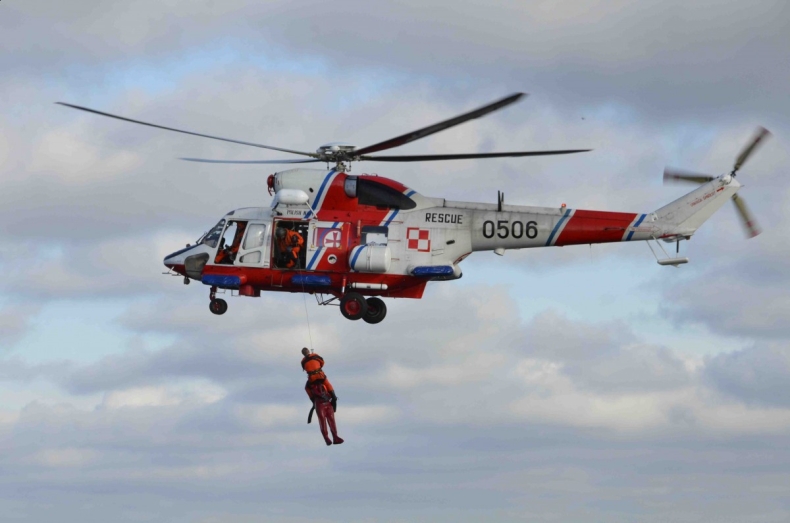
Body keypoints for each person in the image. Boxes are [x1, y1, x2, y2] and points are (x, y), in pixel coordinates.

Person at [302, 348, 343, 445]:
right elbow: (323, 362)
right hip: (320, 376)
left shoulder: (303, 361)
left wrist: (313, 400)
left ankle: (327, 438)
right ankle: (334, 397)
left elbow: (304, 368)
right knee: (328, 385)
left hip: (312, 381)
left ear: (303, 354)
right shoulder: (315, 355)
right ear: (308, 351)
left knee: (322, 421)